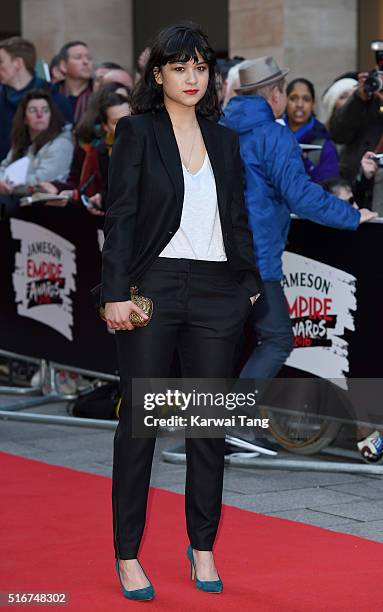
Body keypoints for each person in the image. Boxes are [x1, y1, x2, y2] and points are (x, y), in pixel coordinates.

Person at [100, 23, 260, 600]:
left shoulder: (227, 140)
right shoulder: (138, 132)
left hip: (219, 290)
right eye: (180, 67)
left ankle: (203, 547)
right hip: (155, 287)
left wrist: (248, 288)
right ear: (159, 74)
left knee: (208, 429)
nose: (192, 78)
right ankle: (127, 554)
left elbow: (238, 219)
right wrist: (113, 292)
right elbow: (119, 220)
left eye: (200, 67)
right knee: (140, 425)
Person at [220, 56, 376, 417]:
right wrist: (351, 215)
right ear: (275, 94)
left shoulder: (218, 129)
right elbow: (301, 195)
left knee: (219, 344)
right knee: (277, 339)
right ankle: (231, 423)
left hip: (218, 254)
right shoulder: (273, 135)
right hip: (256, 257)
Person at [0, 37, 72, 161]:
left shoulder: (56, 101)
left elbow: (66, 146)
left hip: (43, 175)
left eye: (1, 61)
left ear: (18, 63)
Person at [0, 89, 73, 204]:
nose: (40, 115)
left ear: (51, 116)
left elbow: (44, 179)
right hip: (21, 198)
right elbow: (4, 166)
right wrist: (1, 181)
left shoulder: (61, 144)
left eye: (45, 110)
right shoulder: (22, 142)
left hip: (47, 203)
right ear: (24, 118)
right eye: (33, 110)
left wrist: (9, 183)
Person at [329, 70, 383, 182]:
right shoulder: (365, 102)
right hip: (361, 183)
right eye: (344, 96)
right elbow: (339, 134)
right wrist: (358, 99)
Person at [285, 78, 339, 182]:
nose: (299, 105)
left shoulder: (324, 144)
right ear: (285, 101)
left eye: (306, 99)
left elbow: (329, 189)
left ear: (313, 104)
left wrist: (307, 165)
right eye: (293, 98)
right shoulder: (273, 135)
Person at [55, 40, 93, 124]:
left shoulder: (98, 93)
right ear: (63, 66)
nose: (86, 62)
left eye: (89, 58)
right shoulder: (52, 92)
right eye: (78, 57)